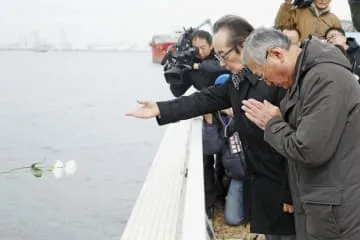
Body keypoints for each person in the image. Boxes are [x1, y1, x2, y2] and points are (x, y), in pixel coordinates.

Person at [126, 15, 295, 239]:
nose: (221, 63)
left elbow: (296, 142)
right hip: (259, 182)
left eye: (224, 55)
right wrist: (160, 108)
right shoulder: (237, 80)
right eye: (218, 56)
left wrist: (289, 193)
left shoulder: (278, 81)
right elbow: (204, 99)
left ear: (244, 45)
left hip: (286, 186)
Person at [241, 27, 360, 240]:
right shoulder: (306, 79)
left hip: (337, 214)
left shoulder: (324, 78)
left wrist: (273, 123)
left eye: (261, 74)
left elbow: (309, 149)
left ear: (277, 54)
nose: (265, 82)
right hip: (323, 205)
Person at [202, 76, 246, 226]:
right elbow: (212, 148)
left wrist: (239, 117)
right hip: (237, 176)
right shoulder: (217, 118)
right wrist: (209, 122)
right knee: (232, 219)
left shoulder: (248, 108)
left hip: (257, 173)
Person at [168, 30, 228, 97]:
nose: (200, 52)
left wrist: (197, 66)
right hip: (208, 100)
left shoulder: (220, 54)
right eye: (195, 49)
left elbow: (225, 64)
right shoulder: (190, 63)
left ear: (211, 46)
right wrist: (175, 73)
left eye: (203, 48)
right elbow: (177, 92)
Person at [275, 0, 342, 42]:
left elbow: (340, 40)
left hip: (324, 58)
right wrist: (287, 3)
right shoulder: (299, 12)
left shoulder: (335, 19)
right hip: (301, 54)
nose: (322, 0)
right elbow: (280, 25)